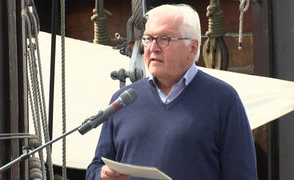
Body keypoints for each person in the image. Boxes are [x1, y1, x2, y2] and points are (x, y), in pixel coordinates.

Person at [86, 4, 258, 180]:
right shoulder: (124, 99)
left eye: (164, 39)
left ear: (192, 48)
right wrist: (101, 175)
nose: (153, 47)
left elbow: (243, 175)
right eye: (148, 38)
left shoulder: (223, 100)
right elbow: (95, 168)